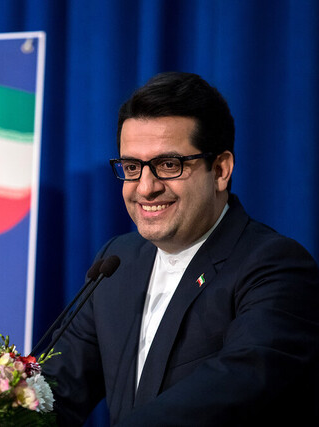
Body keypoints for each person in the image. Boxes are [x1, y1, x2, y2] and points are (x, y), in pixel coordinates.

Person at [42, 72, 319, 426]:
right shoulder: (117, 261)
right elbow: (57, 390)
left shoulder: (274, 266)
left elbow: (236, 386)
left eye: (168, 165)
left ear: (220, 170)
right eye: (132, 167)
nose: (146, 188)